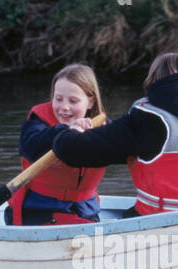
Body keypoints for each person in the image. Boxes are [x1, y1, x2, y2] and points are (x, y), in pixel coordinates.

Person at [48, 52, 178, 218]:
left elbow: (70, 150)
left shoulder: (147, 119)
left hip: (160, 221)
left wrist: (73, 131)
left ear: (156, 82)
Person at [6, 63, 109, 226]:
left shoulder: (105, 126)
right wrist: (66, 131)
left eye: (73, 101)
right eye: (58, 99)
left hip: (85, 209)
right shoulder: (37, 122)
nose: (64, 107)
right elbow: (28, 148)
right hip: (37, 209)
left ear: (90, 102)